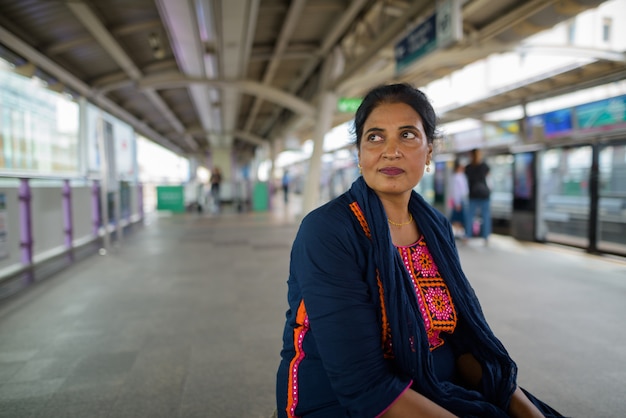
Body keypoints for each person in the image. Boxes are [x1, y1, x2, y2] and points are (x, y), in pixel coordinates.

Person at [276, 83, 562, 417]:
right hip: (340, 401)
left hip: (433, 386)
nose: (391, 150)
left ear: (429, 151)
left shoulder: (435, 227)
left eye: (408, 135)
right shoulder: (328, 231)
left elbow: (464, 342)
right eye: (375, 137)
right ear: (359, 154)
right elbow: (364, 387)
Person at [464, 148, 491, 243]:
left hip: (473, 194)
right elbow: (489, 179)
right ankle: (486, 237)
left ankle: (467, 236)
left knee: (470, 215)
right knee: (486, 216)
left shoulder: (468, 167)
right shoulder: (484, 166)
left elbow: (466, 181)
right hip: (484, 194)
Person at [449, 158, 468, 239]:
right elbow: (456, 191)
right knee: (457, 217)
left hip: (462, 199)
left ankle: (458, 232)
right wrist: (457, 202)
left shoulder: (461, 176)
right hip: (459, 200)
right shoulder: (457, 177)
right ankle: (457, 232)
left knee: (459, 217)